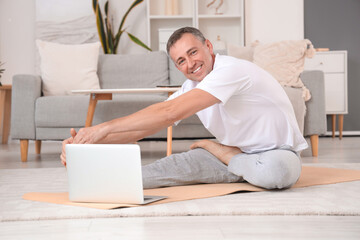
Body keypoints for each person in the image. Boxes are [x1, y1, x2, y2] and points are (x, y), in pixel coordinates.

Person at [61, 27, 308, 190]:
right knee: (144, 176)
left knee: (277, 174)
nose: (191, 64)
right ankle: (235, 162)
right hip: (239, 155)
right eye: (181, 60)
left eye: (193, 52)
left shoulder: (231, 70)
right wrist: (84, 144)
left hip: (278, 153)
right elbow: (142, 128)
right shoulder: (191, 88)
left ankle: (226, 154)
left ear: (208, 47)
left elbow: (170, 113)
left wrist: (102, 127)